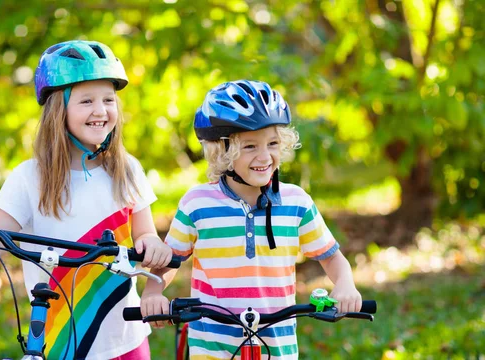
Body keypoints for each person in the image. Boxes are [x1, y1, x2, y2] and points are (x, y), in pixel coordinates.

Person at [0, 40, 173, 360]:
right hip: (59, 336)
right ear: (58, 111)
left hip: (125, 337)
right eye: (86, 100)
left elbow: (145, 234)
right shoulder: (29, 178)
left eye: (108, 99)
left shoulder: (126, 169)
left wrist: (153, 245)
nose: (101, 110)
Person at [140, 80, 362, 359]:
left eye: (272, 143)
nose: (264, 156)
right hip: (212, 347)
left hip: (276, 346)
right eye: (249, 146)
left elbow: (331, 257)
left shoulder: (296, 202)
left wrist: (345, 284)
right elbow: (169, 260)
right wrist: (152, 293)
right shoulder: (197, 203)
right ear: (221, 152)